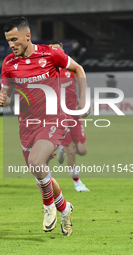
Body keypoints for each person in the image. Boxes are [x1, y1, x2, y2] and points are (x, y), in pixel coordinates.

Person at [0, 17, 89, 236]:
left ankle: (48, 206)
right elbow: (7, 95)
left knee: (37, 162)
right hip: (26, 125)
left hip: (53, 119)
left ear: (27, 36)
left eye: (14, 39)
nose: (11, 44)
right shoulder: (9, 63)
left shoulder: (50, 54)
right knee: (40, 173)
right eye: (8, 41)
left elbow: (78, 69)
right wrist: (2, 99)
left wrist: (84, 100)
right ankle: (64, 208)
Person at [48, 40, 89, 192]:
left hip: (74, 114)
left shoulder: (70, 67)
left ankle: (62, 149)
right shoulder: (46, 73)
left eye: (58, 50)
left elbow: (81, 79)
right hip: (59, 117)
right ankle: (77, 182)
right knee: (72, 150)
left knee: (82, 150)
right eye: (52, 50)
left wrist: (84, 100)